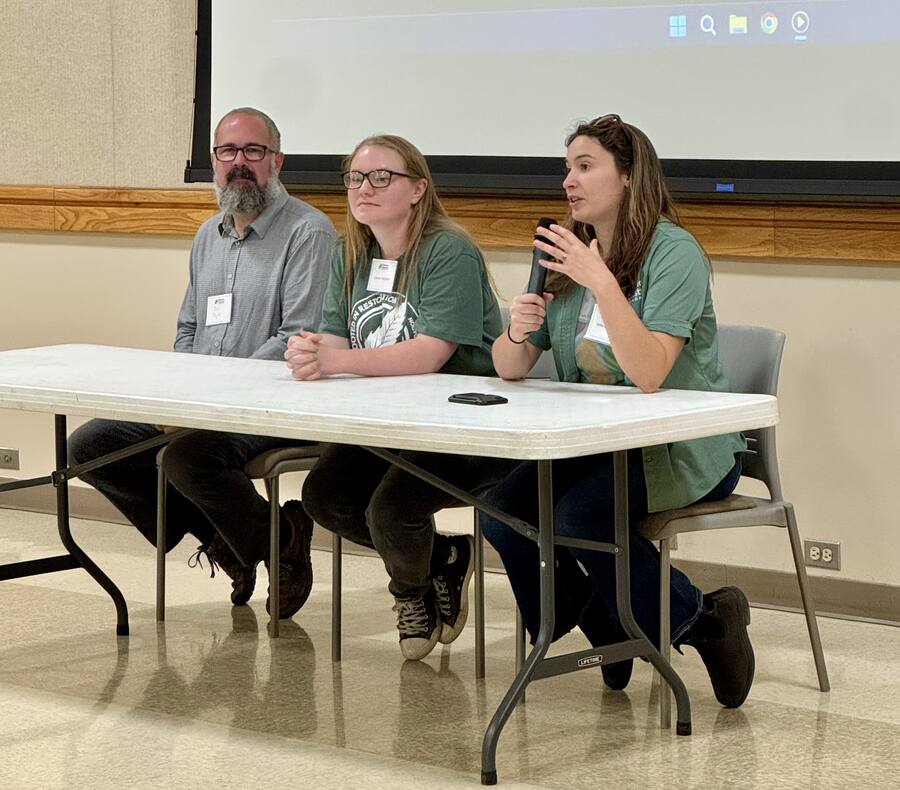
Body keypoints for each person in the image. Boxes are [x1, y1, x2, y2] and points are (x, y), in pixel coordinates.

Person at [481, 114, 754, 708]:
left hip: (680, 445)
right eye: (567, 170)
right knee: (500, 512)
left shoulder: (671, 252)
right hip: (593, 442)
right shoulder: (569, 255)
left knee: (580, 522)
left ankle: (708, 620)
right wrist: (518, 328)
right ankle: (606, 624)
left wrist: (601, 281)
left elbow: (650, 371)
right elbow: (510, 366)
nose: (569, 183)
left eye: (585, 167)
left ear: (628, 178)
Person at [69, 108, 336, 619]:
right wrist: (181, 394)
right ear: (213, 161)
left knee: (185, 456)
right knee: (89, 445)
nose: (240, 163)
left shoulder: (308, 232)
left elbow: (296, 338)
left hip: (273, 402)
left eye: (253, 151)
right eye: (227, 152)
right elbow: (188, 329)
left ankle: (274, 540)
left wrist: (206, 402)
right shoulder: (206, 235)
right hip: (203, 401)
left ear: (276, 160)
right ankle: (234, 536)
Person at [286, 134, 513, 660]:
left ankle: (410, 591)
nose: (364, 188)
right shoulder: (353, 252)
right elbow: (338, 340)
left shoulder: (446, 249)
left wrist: (336, 361)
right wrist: (312, 351)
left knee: (391, 511)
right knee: (325, 497)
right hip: (383, 418)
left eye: (381, 177)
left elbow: (430, 353)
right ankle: (444, 561)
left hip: (457, 424)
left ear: (417, 189)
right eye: (355, 178)